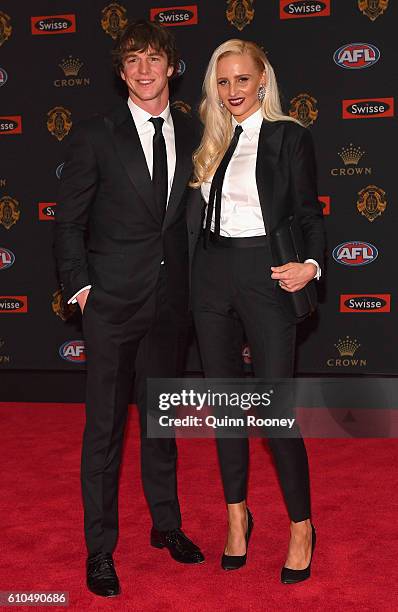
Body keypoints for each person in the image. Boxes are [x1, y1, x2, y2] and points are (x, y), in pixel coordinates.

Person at [54, 20, 204, 598]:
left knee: (161, 425)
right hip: (111, 304)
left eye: (153, 59)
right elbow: (68, 220)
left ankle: (166, 526)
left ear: (172, 66)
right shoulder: (96, 134)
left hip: (171, 306)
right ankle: (100, 550)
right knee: (106, 432)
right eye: (132, 61)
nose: (144, 70)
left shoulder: (193, 132)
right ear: (121, 74)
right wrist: (82, 287)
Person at [188, 39, 325, 582]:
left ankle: (300, 525)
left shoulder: (290, 136)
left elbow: (310, 211)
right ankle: (237, 517)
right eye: (222, 82)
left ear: (262, 81)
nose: (232, 91)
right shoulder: (211, 142)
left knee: (273, 412)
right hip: (211, 280)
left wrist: (311, 264)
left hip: (266, 279)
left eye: (242, 79)